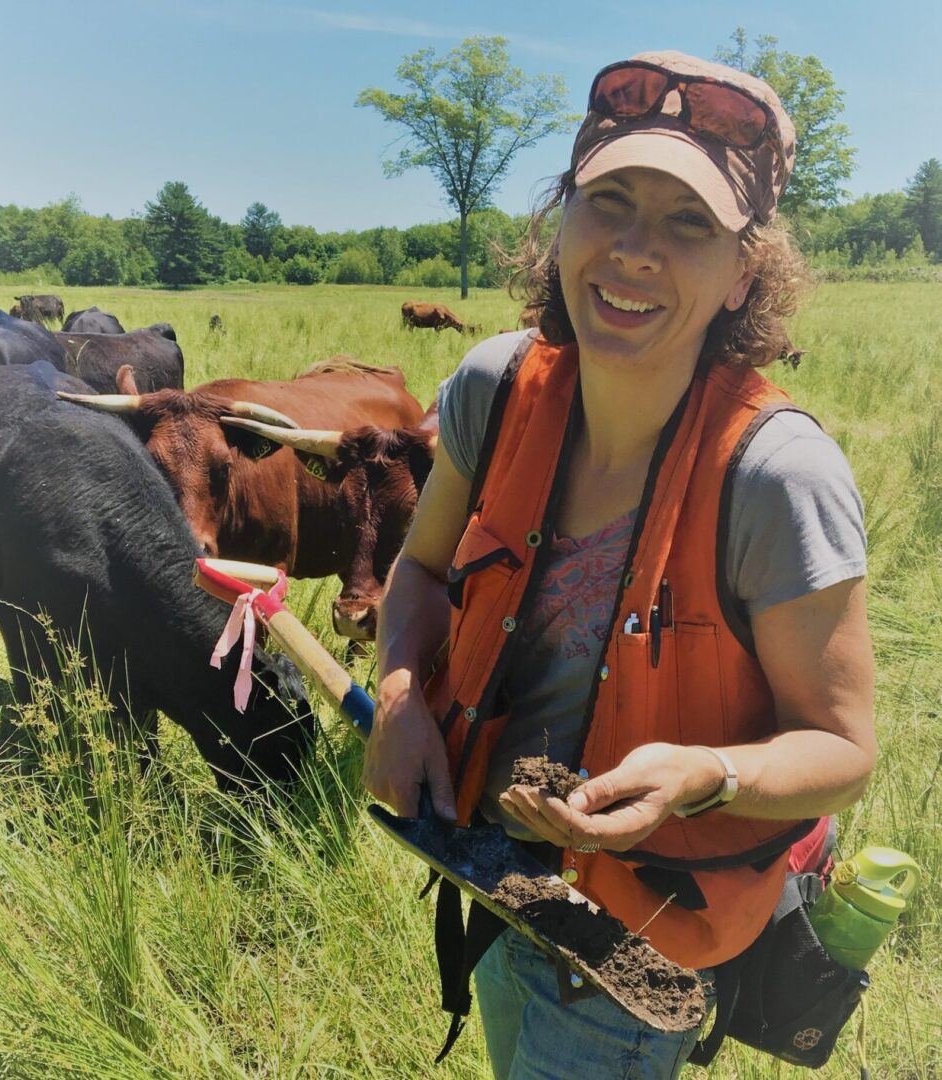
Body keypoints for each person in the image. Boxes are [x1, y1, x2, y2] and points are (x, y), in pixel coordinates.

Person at [363, 50, 876, 1079]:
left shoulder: (775, 476)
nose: (635, 250)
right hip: (495, 873)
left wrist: (704, 776)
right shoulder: (493, 390)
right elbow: (418, 574)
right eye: (610, 201)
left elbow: (842, 749)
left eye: (689, 222)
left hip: (638, 950)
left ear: (743, 273)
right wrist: (401, 692)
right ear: (562, 221)